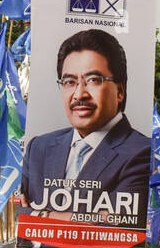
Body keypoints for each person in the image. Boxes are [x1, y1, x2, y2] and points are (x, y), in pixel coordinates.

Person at [20, 28, 150, 231]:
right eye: (69, 82)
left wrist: (39, 215)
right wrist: (79, 218)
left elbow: (115, 227)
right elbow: (20, 218)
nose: (79, 94)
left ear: (120, 91)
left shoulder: (140, 152)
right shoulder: (39, 148)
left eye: (93, 80)